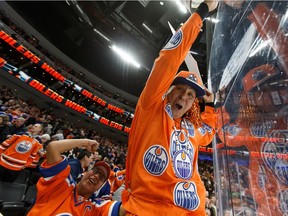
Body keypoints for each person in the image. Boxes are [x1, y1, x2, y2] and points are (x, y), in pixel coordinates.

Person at [122, 1, 218, 215]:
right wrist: (201, 12)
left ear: (193, 103)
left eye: (191, 95)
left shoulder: (191, 131)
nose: (184, 96)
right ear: (167, 90)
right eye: (180, 89)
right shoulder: (151, 108)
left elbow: (209, 131)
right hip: (146, 210)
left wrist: (210, 106)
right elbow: (168, 61)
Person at [27, 139, 125, 216]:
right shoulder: (62, 185)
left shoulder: (95, 208)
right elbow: (53, 148)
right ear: (86, 172)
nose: (96, 176)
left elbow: (125, 210)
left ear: (100, 187)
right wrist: (85, 142)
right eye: (96, 171)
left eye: (101, 177)